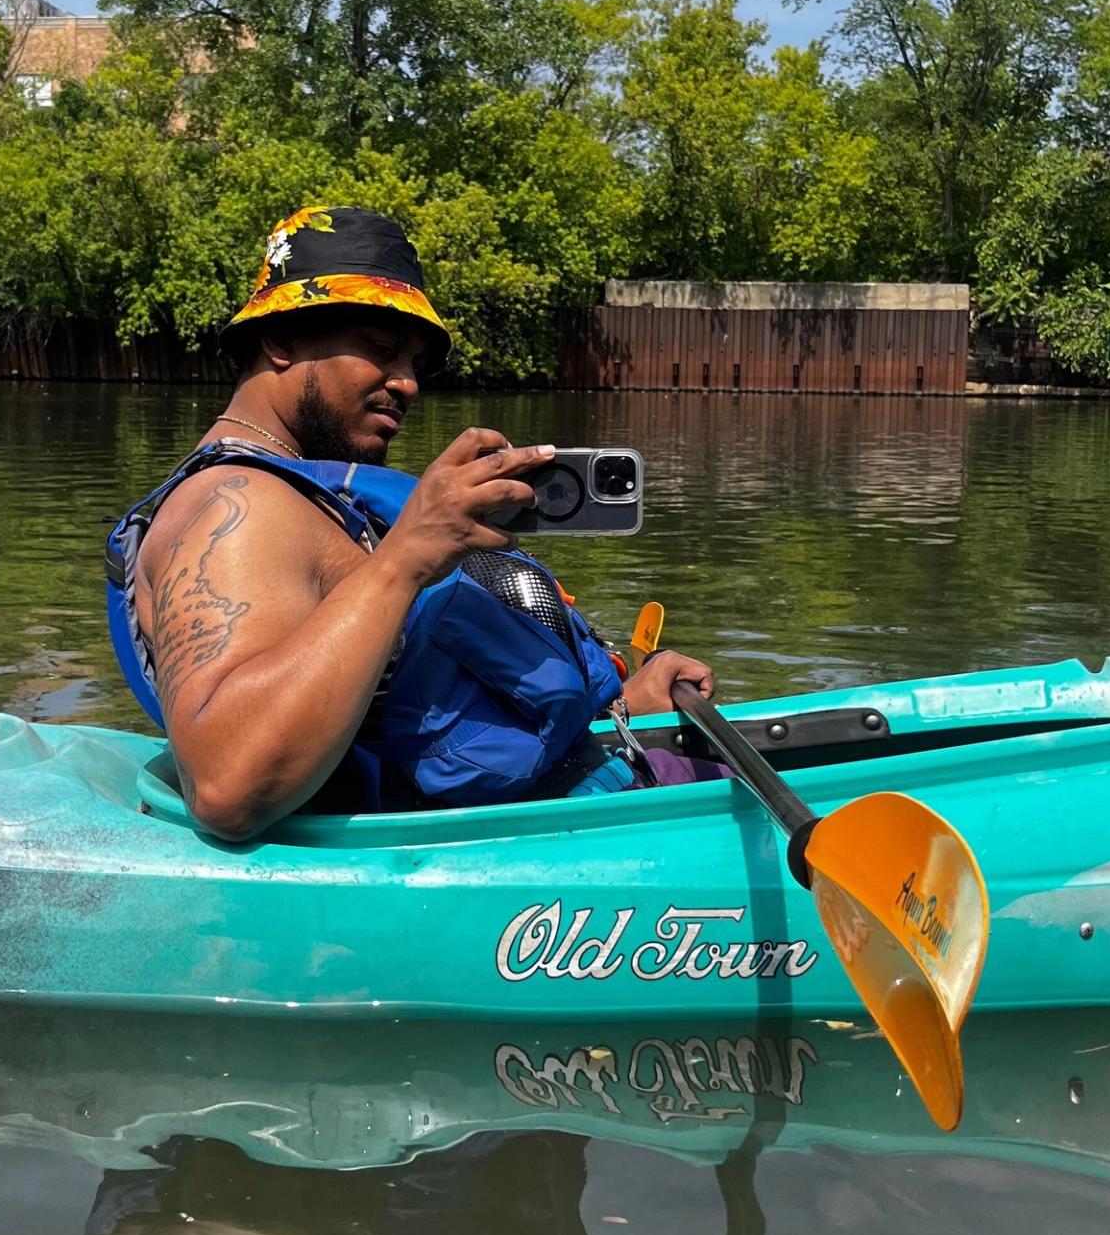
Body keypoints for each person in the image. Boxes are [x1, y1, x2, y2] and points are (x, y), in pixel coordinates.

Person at [105, 205, 715, 838]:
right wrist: (406, 559)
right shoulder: (239, 506)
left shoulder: (304, 495)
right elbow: (227, 787)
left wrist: (625, 707)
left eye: (415, 363)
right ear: (281, 340)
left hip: (574, 784)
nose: (408, 383)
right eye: (382, 350)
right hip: (522, 846)